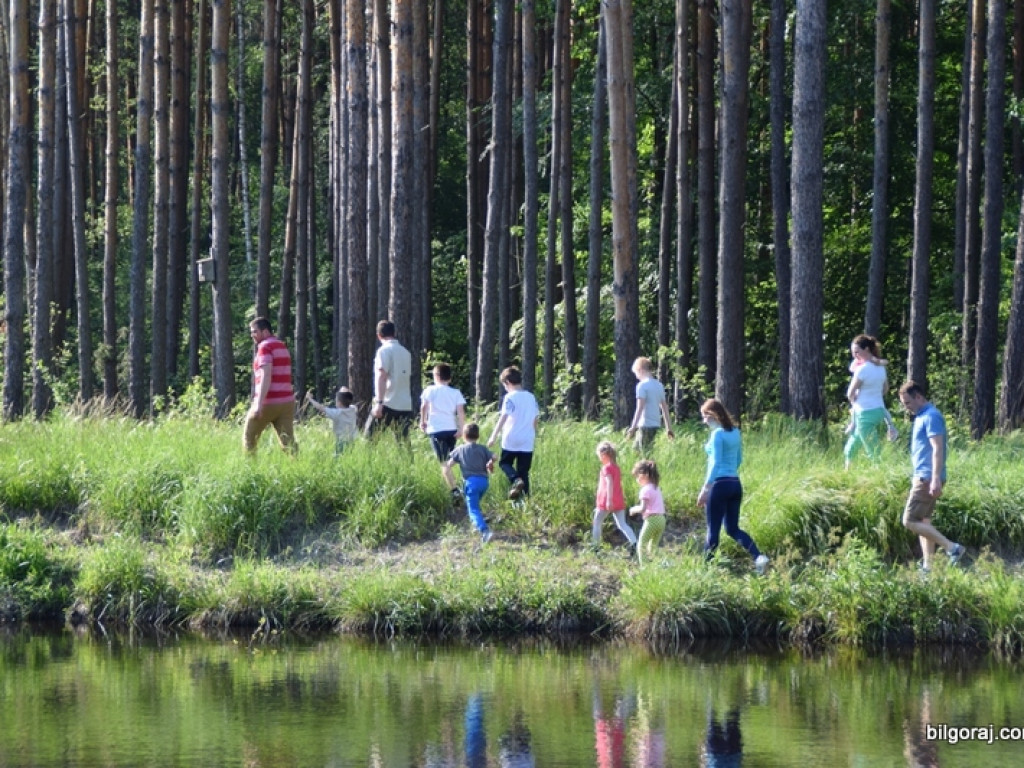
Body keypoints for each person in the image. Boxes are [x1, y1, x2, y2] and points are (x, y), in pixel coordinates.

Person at [898, 381, 965, 572]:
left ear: (919, 397)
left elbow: (938, 448)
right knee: (923, 522)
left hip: (927, 478)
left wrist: (935, 477)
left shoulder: (931, 416)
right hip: (924, 476)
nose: (907, 408)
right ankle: (929, 567)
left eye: (908, 403)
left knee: (909, 521)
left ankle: (953, 548)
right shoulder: (921, 416)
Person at [697, 398, 768, 574]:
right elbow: (738, 459)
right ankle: (758, 557)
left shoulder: (717, 435)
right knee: (732, 529)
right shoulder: (735, 432)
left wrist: (706, 488)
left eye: (704, 417)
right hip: (735, 484)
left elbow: (715, 463)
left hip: (719, 485)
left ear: (712, 415)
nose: (703, 421)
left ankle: (706, 571)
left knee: (713, 530)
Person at [243, 317, 297, 454]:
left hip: (269, 402)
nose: (252, 335)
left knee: (249, 438)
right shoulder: (282, 346)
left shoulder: (264, 347)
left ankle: (250, 471)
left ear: (265, 331)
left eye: (255, 331)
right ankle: (298, 468)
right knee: (289, 442)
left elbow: (266, 376)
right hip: (287, 402)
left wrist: (258, 404)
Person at [844, 334, 897, 469]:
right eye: (853, 352)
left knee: (873, 451)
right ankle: (847, 472)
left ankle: (880, 476)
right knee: (853, 444)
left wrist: (855, 399)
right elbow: (885, 389)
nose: (855, 355)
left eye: (857, 352)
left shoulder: (862, 369)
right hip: (879, 410)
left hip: (864, 413)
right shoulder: (880, 367)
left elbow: (850, 393)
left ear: (866, 349)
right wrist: (873, 396)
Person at [487, 366, 539, 499]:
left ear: (508, 382)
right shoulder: (531, 397)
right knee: (524, 472)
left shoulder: (509, 397)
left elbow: (503, 418)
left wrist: (493, 436)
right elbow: (535, 419)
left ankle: (515, 480)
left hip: (511, 438)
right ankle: (526, 501)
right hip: (527, 438)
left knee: (505, 463)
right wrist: (534, 434)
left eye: (504, 385)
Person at [443, 423, 496, 543]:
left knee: (472, 509)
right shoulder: (483, 449)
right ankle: (478, 522)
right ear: (477, 436)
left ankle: (485, 531)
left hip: (471, 483)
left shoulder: (460, 449)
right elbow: (495, 456)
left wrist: (448, 473)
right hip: (484, 483)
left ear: (464, 436)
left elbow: (449, 465)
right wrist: (491, 461)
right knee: (475, 505)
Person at [367, 320, 413, 438]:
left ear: (379, 335)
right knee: (403, 443)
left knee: (369, 439)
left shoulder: (384, 351)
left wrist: (379, 403)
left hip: (388, 402)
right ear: (394, 333)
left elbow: (382, 376)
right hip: (404, 404)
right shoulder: (405, 352)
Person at [591, 441, 638, 549]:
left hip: (607, 500)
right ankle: (634, 543)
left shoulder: (606, 468)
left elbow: (610, 483)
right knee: (622, 524)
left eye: (599, 455)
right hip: (618, 499)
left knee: (597, 522)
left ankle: (595, 546)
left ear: (604, 455)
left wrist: (609, 500)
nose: (599, 458)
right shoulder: (616, 468)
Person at [625, 357, 674, 454]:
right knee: (636, 451)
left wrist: (633, 427)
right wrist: (669, 428)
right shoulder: (659, 385)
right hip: (655, 424)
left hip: (645, 424)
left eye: (636, 373)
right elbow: (664, 408)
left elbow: (640, 408)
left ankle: (649, 469)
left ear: (641, 370)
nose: (636, 377)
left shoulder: (642, 385)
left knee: (644, 454)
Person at [420, 363, 467, 462]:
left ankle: (447, 476)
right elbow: (461, 413)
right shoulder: (456, 392)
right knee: (450, 458)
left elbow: (424, 406)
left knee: (442, 460)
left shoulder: (430, 390)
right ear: (449, 378)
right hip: (451, 429)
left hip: (436, 429)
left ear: (436, 376)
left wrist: (423, 421)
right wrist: (461, 429)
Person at [629, 460, 666, 564]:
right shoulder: (655, 487)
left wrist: (633, 510)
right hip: (661, 519)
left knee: (641, 545)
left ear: (644, 475)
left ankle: (645, 568)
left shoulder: (645, 490)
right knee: (653, 547)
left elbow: (643, 508)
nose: (637, 479)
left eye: (637, 476)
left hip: (652, 520)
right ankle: (661, 564)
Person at [305, 387, 358, 454]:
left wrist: (310, 399)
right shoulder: (353, 409)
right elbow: (348, 401)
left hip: (341, 441)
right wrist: (345, 392)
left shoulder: (337, 413)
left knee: (339, 458)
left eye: (336, 400)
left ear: (339, 403)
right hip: (352, 441)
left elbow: (321, 407)